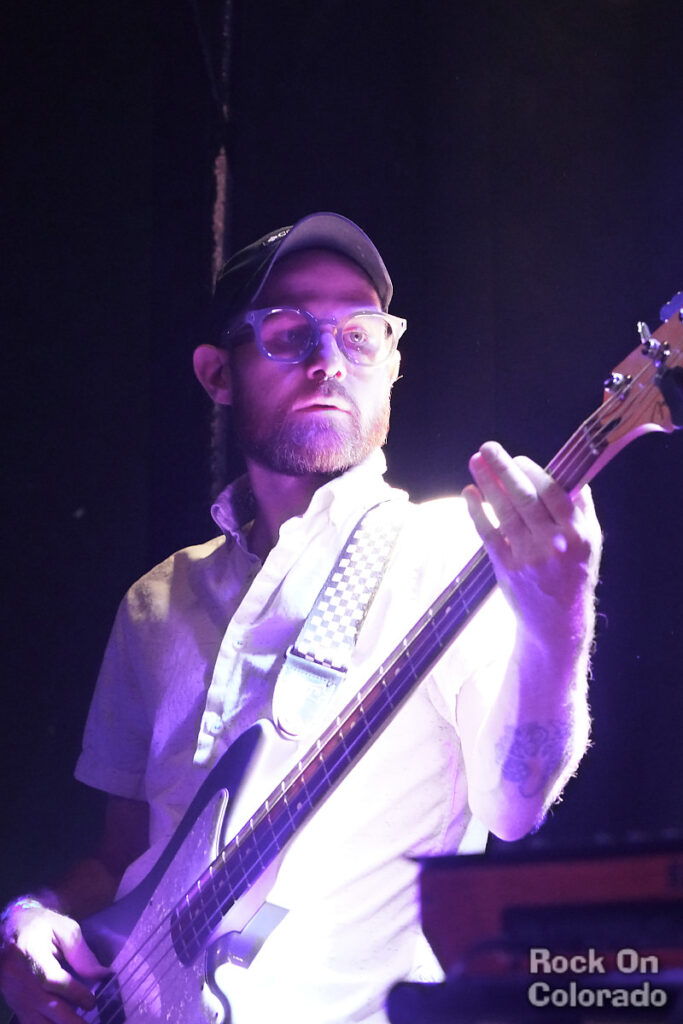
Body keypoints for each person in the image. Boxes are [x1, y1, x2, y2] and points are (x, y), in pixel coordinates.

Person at [0, 212, 601, 1024]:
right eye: (287, 334)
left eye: (359, 335)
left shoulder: (453, 553)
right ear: (217, 373)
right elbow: (123, 859)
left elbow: (515, 806)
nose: (327, 362)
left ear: (391, 364)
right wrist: (31, 914)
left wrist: (559, 622)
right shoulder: (156, 601)